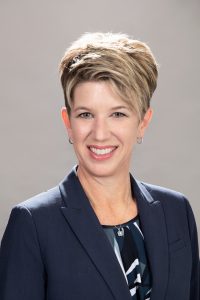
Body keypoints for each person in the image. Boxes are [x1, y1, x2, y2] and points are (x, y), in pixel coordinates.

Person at [0, 32, 199, 300]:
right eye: (85, 115)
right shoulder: (33, 225)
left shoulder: (177, 212)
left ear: (143, 122)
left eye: (118, 114)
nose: (100, 133)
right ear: (68, 122)